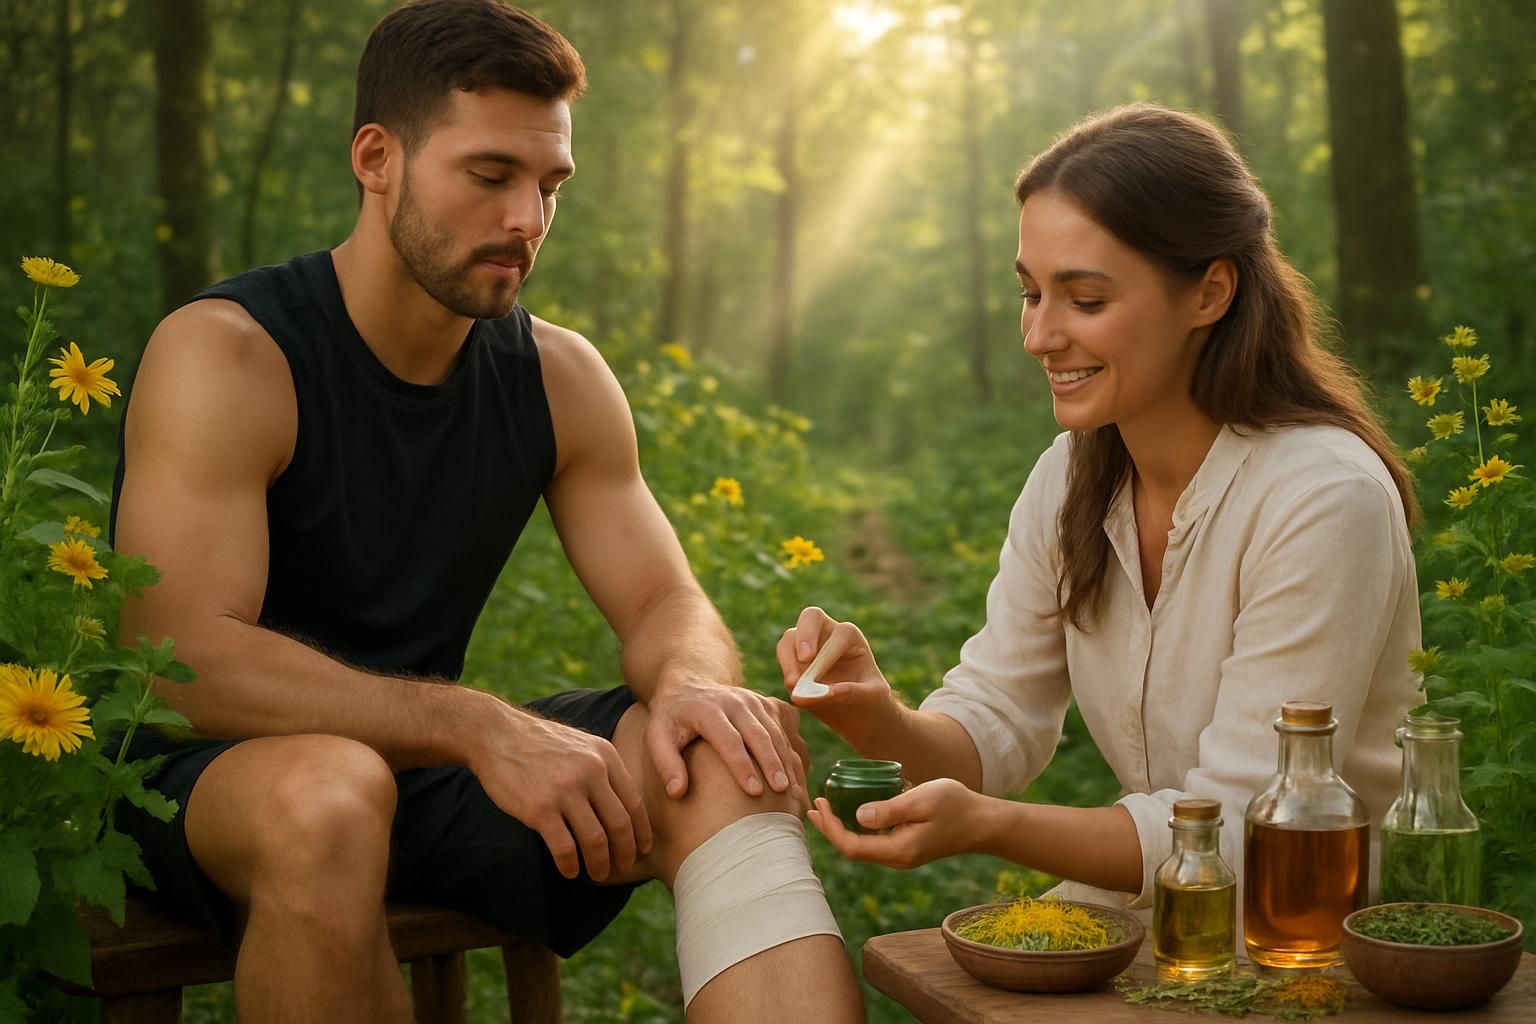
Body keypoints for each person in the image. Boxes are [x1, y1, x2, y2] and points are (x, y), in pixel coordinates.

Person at [109, 1, 863, 1020]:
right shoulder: (230, 352)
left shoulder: (559, 376)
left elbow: (662, 602)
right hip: (204, 782)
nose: (528, 221)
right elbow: (183, 658)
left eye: (549, 185)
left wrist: (690, 683)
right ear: (377, 158)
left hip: (414, 767)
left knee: (725, 755)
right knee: (330, 794)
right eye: (490, 175)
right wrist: (473, 724)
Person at [777, 104, 1421, 936]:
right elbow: (997, 718)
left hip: (1313, 937)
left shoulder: (1323, 498)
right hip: (1167, 921)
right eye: (1030, 294)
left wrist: (992, 827)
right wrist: (874, 716)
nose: (1040, 335)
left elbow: (1248, 825)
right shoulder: (1072, 476)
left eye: (1083, 298)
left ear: (1210, 292)